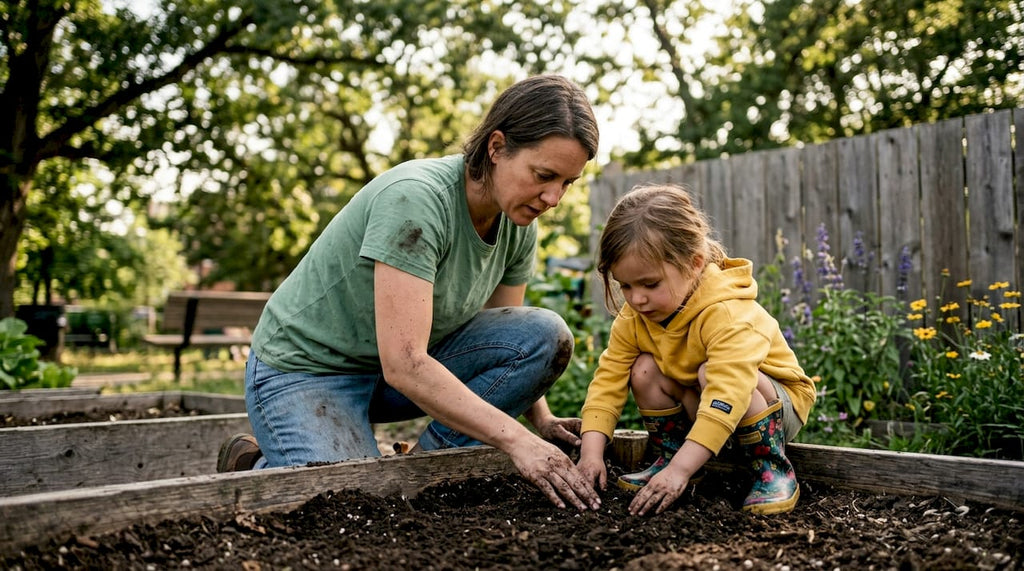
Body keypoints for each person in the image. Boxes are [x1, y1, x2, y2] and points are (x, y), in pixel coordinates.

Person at [216, 74, 602, 512]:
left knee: (545, 332)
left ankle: (422, 472)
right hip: (307, 369)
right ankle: (254, 465)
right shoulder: (417, 200)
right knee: (353, 501)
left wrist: (542, 420)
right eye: (544, 175)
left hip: (388, 373)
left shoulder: (517, 224)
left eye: (567, 183)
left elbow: (507, 339)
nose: (553, 198)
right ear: (496, 147)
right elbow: (405, 364)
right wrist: (518, 442)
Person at [576, 183, 816, 516]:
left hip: (772, 405)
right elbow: (608, 381)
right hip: (705, 400)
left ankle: (772, 469)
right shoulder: (636, 317)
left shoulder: (727, 312)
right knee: (643, 369)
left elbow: (729, 391)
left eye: (650, 284)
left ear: (694, 263)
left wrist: (680, 474)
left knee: (714, 375)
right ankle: (674, 456)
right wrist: (590, 455)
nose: (636, 299)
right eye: (625, 285)